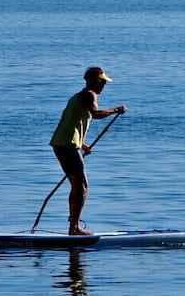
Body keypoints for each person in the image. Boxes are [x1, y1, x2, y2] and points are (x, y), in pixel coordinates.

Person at [50, 67, 127, 235]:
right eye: (103, 82)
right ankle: (74, 228)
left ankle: (73, 226)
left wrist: (82, 143)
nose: (104, 85)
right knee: (82, 186)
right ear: (94, 81)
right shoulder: (89, 94)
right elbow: (96, 114)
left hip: (63, 143)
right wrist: (116, 110)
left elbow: (70, 122)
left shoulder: (78, 96)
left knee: (77, 185)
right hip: (67, 145)